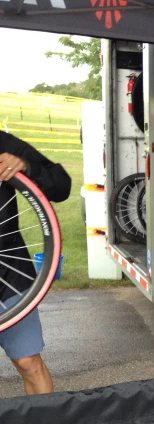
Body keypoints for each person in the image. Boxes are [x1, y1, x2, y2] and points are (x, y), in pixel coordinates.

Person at [0, 132, 71, 395]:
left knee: (29, 363)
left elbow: (61, 186)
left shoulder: (3, 144)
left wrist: (26, 167)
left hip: (9, 273)